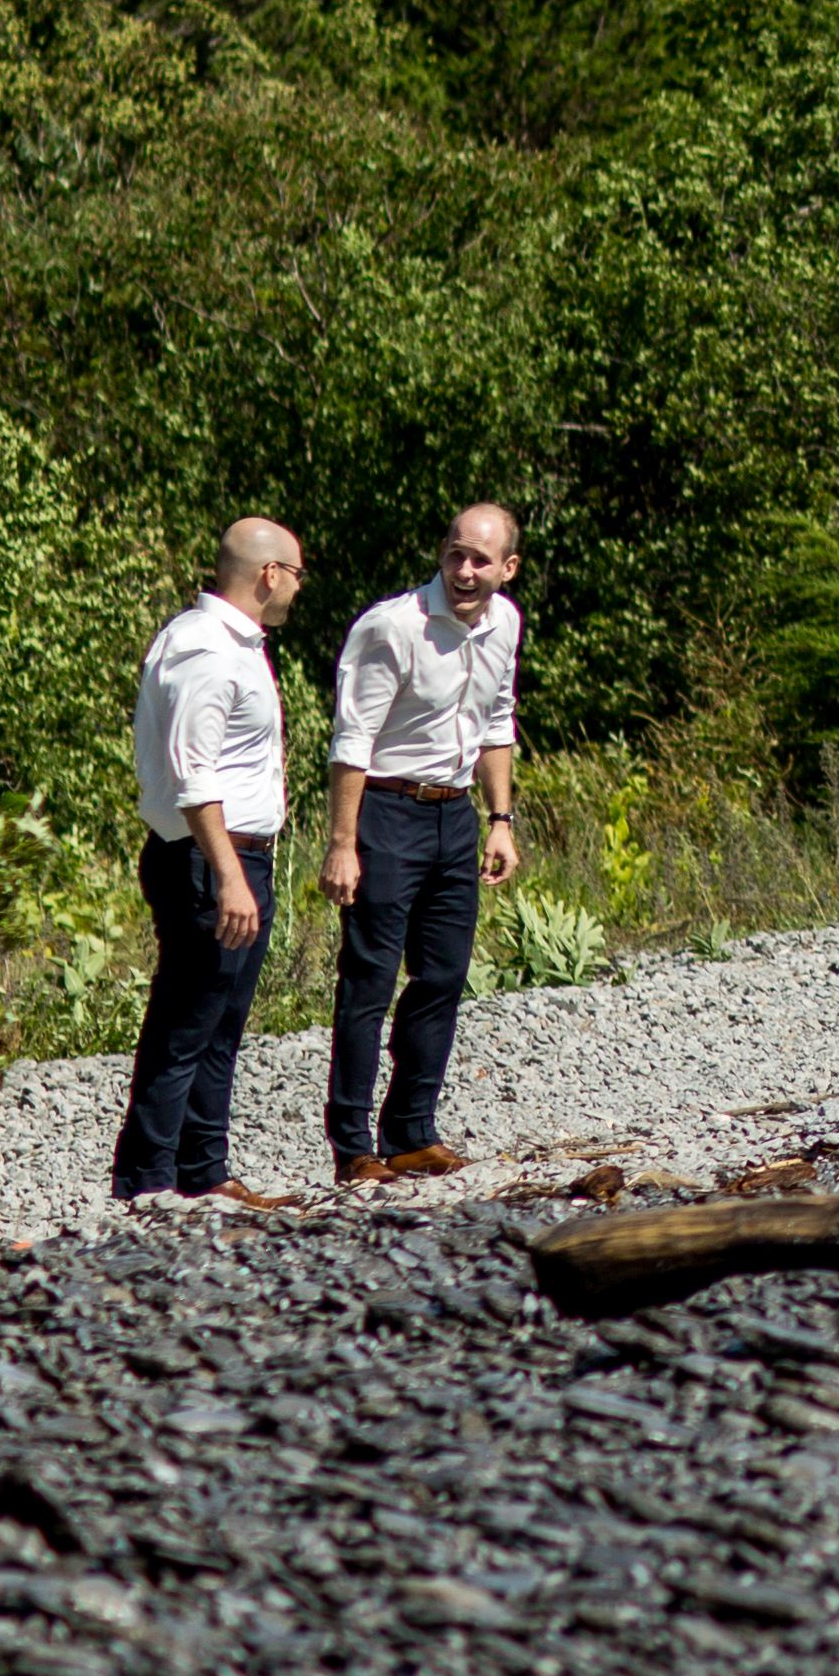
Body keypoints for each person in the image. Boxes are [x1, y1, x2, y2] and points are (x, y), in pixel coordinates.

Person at [322, 503, 526, 1187]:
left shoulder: (506, 624)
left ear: (507, 568)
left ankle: (412, 1131)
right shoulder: (393, 626)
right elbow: (351, 741)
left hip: (455, 813)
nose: (464, 571)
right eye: (454, 555)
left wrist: (501, 819)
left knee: (442, 977)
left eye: (480, 560)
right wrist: (341, 844)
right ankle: (354, 1145)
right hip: (385, 807)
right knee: (369, 982)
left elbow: (498, 720)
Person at [116, 518, 305, 1209]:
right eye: (295, 575)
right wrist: (227, 873)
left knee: (220, 1020)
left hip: (230, 854)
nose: (295, 589)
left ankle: (204, 1168)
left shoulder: (227, 643)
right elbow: (195, 774)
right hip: (211, 857)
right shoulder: (207, 650)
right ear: (269, 575)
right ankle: (151, 1181)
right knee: (187, 1020)